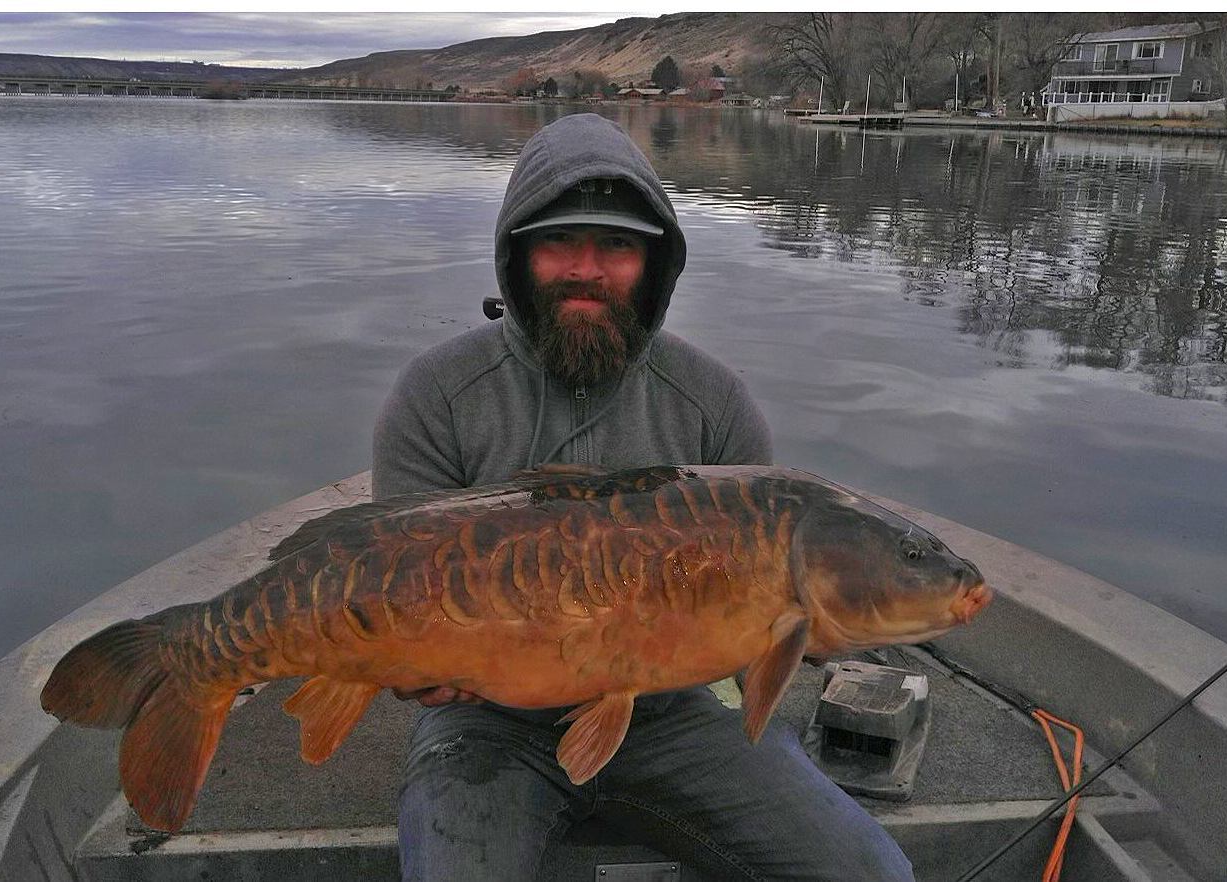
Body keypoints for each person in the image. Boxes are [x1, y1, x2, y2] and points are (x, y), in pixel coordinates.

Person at [372, 113, 913, 882]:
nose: (586, 269)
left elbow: (780, 615)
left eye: (617, 246)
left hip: (677, 709)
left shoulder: (713, 403)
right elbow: (391, 582)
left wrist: (818, 624)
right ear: (517, 254)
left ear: (652, 263)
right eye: (559, 240)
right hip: (485, 720)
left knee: (874, 875)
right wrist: (405, 661)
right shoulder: (437, 396)